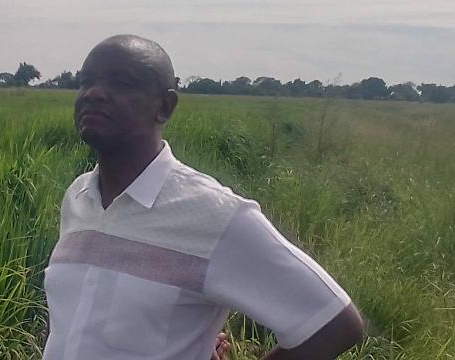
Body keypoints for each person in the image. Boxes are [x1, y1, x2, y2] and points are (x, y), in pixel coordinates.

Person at [42, 34, 364, 360]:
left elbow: (334, 323)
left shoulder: (214, 215)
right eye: (86, 82)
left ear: (164, 107)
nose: (94, 93)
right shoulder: (78, 198)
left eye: (121, 83)